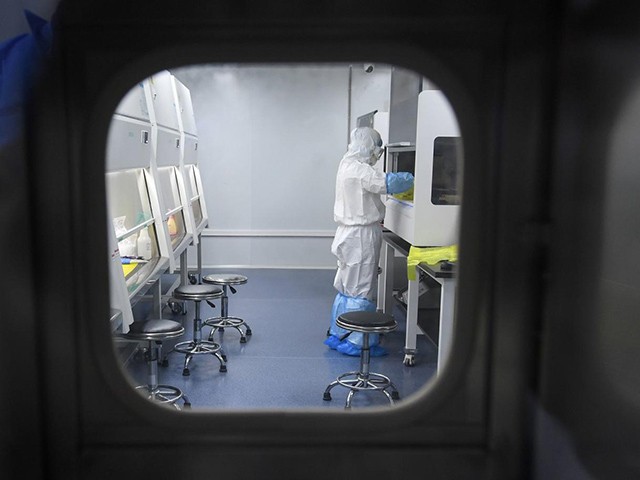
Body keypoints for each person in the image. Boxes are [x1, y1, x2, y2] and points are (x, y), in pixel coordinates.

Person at [325, 126, 414, 356]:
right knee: (361, 289)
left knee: (347, 286)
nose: (377, 154)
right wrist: (417, 178)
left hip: (346, 233)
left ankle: (340, 332)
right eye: (376, 149)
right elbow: (389, 183)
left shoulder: (346, 164)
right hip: (361, 237)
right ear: (367, 147)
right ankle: (358, 341)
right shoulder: (361, 170)